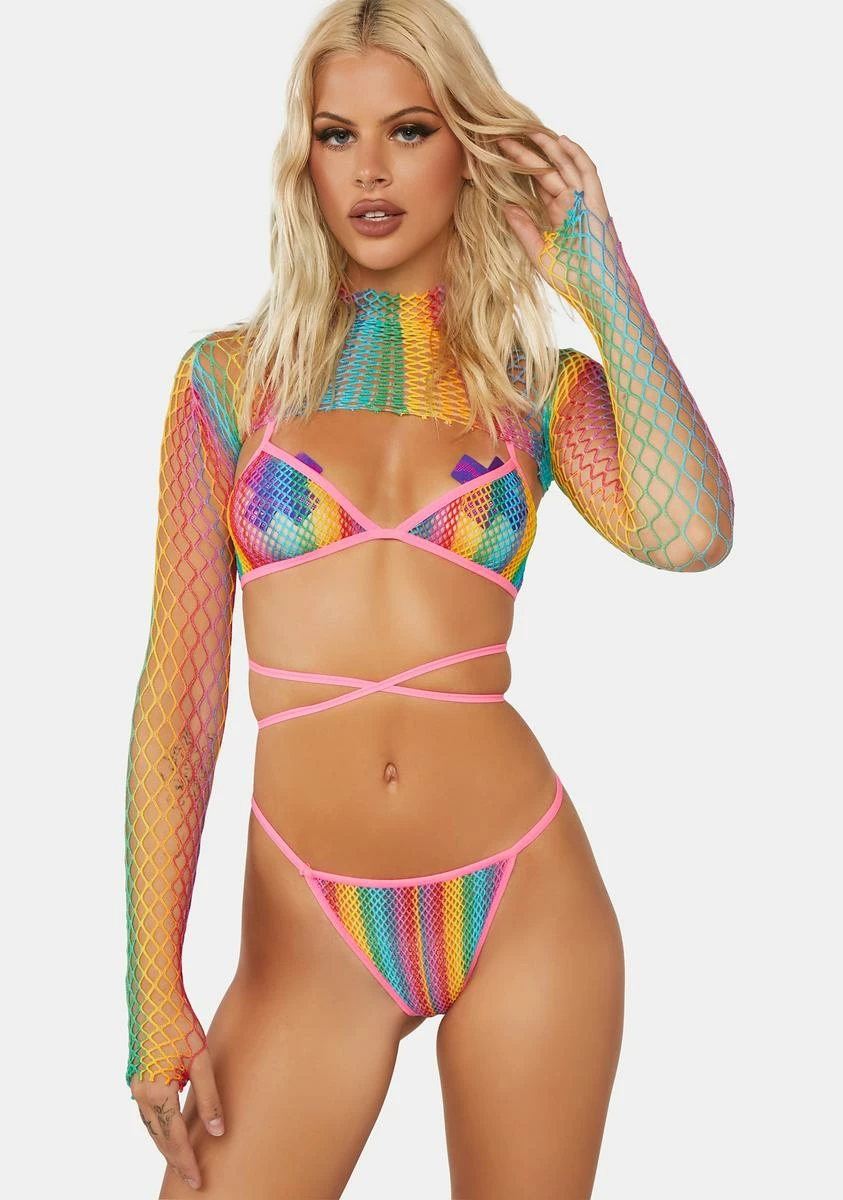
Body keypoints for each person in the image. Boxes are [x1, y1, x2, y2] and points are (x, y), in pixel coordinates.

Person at [123, 1, 734, 1195]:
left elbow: (691, 530)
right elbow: (179, 711)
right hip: (308, 930)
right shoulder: (230, 383)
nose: (371, 169)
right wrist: (155, 993)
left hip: (525, 898)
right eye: (336, 134)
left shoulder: (529, 386)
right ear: (304, 157)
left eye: (408, 130)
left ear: (468, 143)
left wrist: (600, 280)